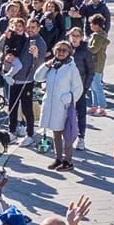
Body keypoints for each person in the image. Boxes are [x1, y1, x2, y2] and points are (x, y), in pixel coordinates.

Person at [38, 38, 86, 172]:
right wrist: (46, 65)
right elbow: (37, 77)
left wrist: (68, 98)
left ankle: (68, 161)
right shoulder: (52, 66)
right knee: (56, 133)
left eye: (64, 50)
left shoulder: (71, 68)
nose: (60, 52)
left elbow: (79, 88)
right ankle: (58, 159)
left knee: (67, 135)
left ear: (69, 53)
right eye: (58, 50)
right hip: (51, 106)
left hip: (64, 107)